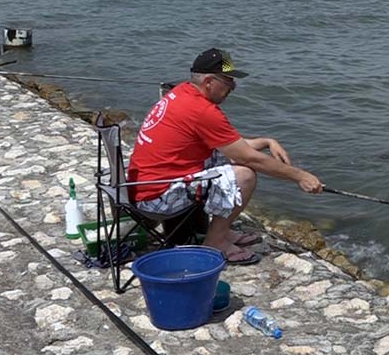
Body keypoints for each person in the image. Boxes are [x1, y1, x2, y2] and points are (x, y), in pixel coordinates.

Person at [127, 48, 322, 265]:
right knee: (245, 175)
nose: (233, 88)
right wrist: (300, 176)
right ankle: (215, 241)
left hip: (145, 185)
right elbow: (249, 159)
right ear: (209, 81)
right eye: (228, 82)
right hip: (157, 197)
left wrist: (267, 141)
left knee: (230, 159)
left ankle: (223, 230)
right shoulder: (201, 110)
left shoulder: (183, 93)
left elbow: (232, 145)